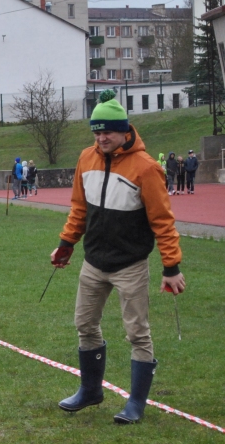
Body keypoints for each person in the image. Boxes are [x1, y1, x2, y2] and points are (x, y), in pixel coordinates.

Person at [50, 90, 185, 425]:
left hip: (130, 265)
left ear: (125, 131)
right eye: (97, 132)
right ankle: (90, 391)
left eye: (108, 131)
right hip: (93, 262)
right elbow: (79, 208)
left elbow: (163, 221)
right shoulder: (86, 158)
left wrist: (171, 266)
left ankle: (136, 403)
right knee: (84, 324)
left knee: (137, 333)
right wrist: (66, 244)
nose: (102, 138)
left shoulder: (147, 168)